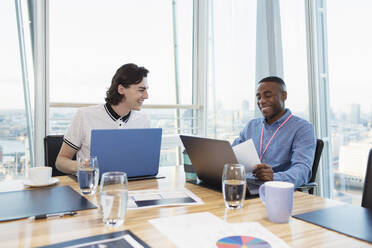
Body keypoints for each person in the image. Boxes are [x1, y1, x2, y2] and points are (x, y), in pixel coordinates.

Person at [56, 63, 150, 174]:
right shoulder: (85, 116)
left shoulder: (143, 121)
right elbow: (60, 161)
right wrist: (81, 166)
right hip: (93, 186)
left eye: (146, 90)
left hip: (132, 186)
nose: (146, 96)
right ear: (121, 89)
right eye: (141, 90)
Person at [232, 76, 316, 188]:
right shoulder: (251, 126)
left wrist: (274, 177)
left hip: (278, 190)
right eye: (258, 97)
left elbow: (302, 171)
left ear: (284, 96)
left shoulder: (302, 128)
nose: (261, 101)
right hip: (247, 186)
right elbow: (231, 155)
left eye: (267, 96)